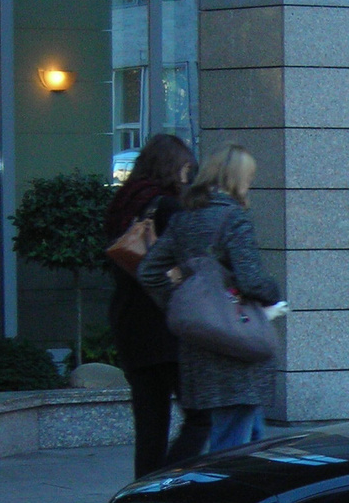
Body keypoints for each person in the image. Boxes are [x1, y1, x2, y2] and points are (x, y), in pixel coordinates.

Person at [139, 144, 281, 454]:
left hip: (198, 349)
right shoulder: (234, 219)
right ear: (233, 178)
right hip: (236, 344)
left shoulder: (184, 219)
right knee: (233, 450)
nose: (250, 183)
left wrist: (185, 306)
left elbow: (149, 271)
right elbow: (251, 280)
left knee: (248, 439)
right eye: (248, 176)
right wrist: (274, 294)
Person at [104, 134, 207, 475]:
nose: (186, 176)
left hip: (128, 321)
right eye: (184, 168)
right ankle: (167, 483)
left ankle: (142, 495)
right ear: (172, 167)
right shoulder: (168, 207)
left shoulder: (122, 203)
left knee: (150, 425)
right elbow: (189, 261)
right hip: (165, 323)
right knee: (201, 416)